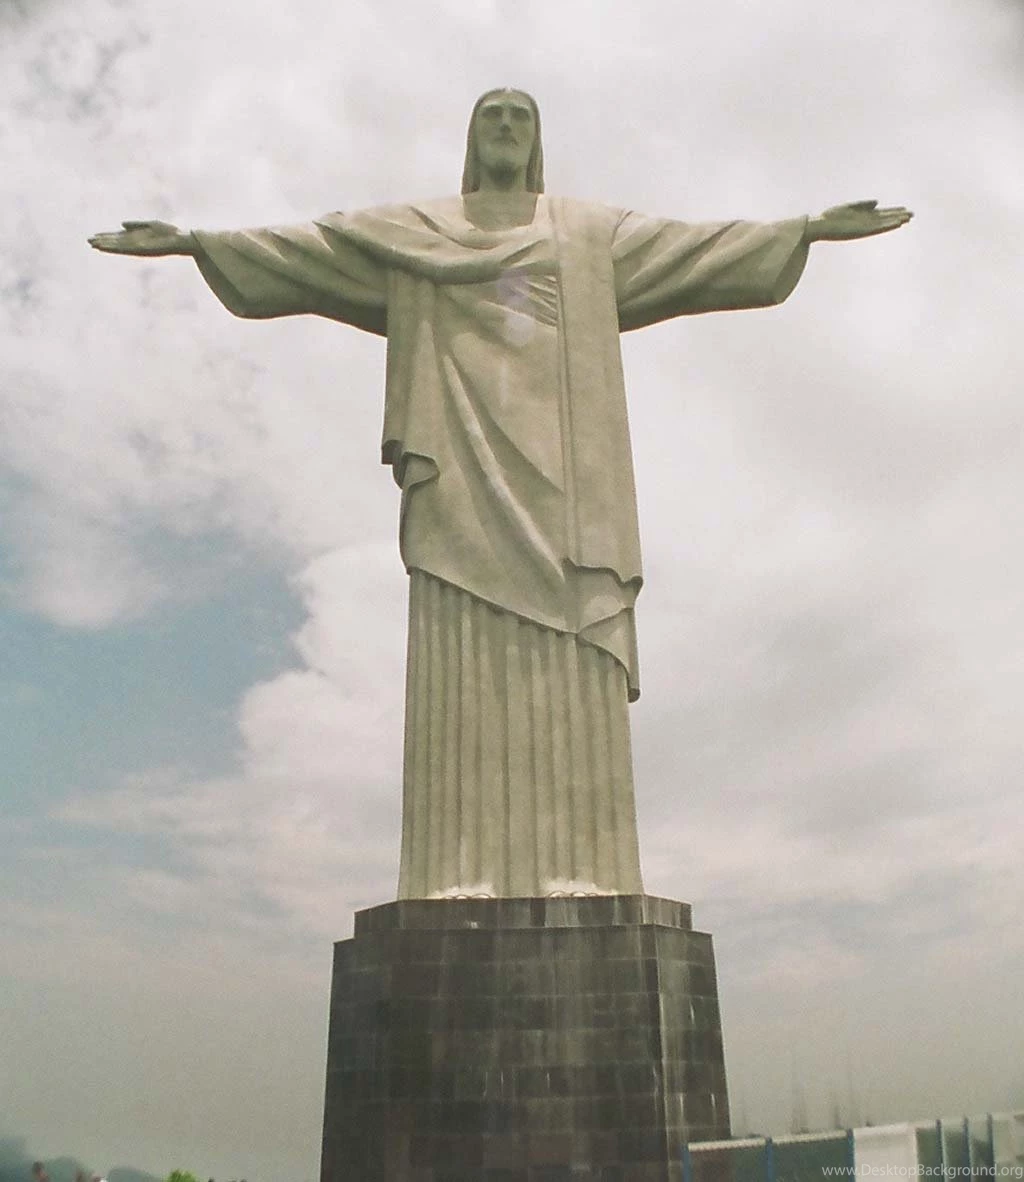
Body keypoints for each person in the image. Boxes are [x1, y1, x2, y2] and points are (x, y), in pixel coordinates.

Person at [90, 88, 911, 899]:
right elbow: (311, 252)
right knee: (463, 654)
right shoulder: (416, 234)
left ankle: (586, 873)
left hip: (567, 475)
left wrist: (803, 228)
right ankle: (454, 873)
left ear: (538, 139)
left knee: (569, 651)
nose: (508, 127)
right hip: (460, 458)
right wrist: (194, 242)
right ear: (472, 137)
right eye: (493, 115)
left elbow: (694, 250)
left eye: (522, 116)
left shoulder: (590, 233)